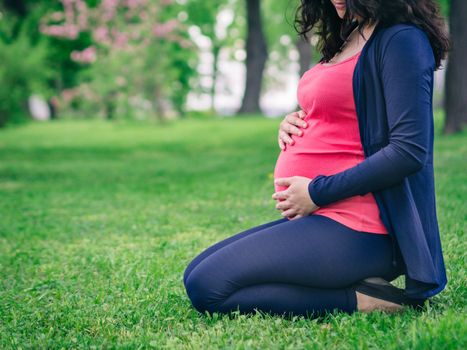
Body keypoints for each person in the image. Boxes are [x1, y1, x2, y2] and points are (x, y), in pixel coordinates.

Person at [183, 0, 450, 319]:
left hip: (364, 226)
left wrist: (316, 192)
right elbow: (345, 113)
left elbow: (408, 152)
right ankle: (358, 286)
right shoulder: (351, 32)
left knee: (207, 285)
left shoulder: (401, 39)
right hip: (328, 218)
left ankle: (366, 300)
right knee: (194, 272)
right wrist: (299, 120)